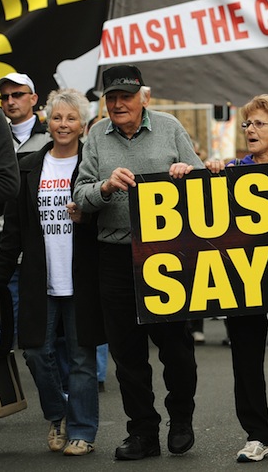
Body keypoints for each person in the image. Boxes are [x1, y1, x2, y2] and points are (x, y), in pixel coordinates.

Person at [73, 65, 202, 460]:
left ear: (143, 97)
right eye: (111, 97)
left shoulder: (169, 128)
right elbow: (80, 194)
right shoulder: (96, 135)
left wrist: (186, 173)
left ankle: (180, 420)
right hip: (114, 254)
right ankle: (143, 433)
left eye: (125, 96)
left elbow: (202, 180)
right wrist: (105, 186)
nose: (118, 104)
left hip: (166, 254)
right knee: (127, 353)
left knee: (176, 346)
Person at [0, 88, 105, 455]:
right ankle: (58, 414)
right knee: (34, 352)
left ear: (83, 125)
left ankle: (82, 432)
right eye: (57, 117)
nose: (63, 124)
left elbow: (107, 218)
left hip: (82, 278)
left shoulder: (92, 167)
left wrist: (87, 216)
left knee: (81, 357)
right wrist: (0, 274)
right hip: (38, 279)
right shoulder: (29, 166)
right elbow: (13, 230)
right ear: (47, 119)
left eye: (71, 118)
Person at [205, 94, 268, 463]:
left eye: (259, 124)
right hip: (242, 277)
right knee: (245, 359)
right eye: (248, 124)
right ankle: (258, 436)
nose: (250, 130)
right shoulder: (232, 169)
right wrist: (204, 172)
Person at [0, 73, 51, 346]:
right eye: (4, 97)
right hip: (5, 245)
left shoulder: (53, 138)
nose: (10, 101)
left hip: (41, 245)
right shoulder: (0, 137)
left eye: (17, 94)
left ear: (33, 98)